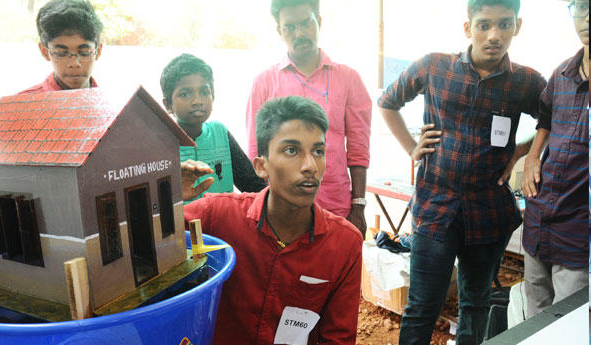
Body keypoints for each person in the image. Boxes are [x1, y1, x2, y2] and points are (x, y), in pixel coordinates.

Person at [377, 0, 547, 343]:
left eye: (504, 24)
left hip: (488, 212)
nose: (494, 35)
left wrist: (521, 154)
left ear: (518, 26)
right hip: (435, 207)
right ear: (468, 28)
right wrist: (411, 146)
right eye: (484, 25)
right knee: (422, 306)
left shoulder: (526, 82)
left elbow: (551, 117)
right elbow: (388, 102)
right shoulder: (434, 67)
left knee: (475, 303)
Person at [182, 96, 363, 345]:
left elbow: (338, 338)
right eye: (292, 150)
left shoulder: (344, 244)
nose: (310, 165)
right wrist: (168, 197)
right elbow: (145, 249)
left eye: (318, 151)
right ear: (260, 167)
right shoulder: (216, 216)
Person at [245, 0, 372, 236]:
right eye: (290, 27)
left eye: (306, 23)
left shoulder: (348, 78)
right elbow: (256, 150)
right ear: (279, 31)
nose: (299, 33)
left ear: (319, 22)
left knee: (332, 271)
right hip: (281, 212)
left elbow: (358, 147)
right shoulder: (264, 82)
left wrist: (358, 206)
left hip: (336, 204)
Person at [521, 0, 589, 318]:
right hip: (539, 215)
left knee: (569, 323)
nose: (588, 16)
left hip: (579, 230)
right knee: (534, 312)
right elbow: (545, 117)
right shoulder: (561, 74)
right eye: (583, 6)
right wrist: (532, 158)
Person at [160, 53, 267, 203]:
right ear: (167, 104)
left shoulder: (220, 133)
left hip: (221, 224)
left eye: (204, 92)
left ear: (213, 97)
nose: (197, 101)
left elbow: (253, 185)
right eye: (185, 94)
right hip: (182, 226)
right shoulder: (159, 146)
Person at [19, 0, 103, 94]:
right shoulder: (21, 104)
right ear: (44, 51)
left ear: (98, 50)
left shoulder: (114, 104)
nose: (74, 63)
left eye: (84, 52)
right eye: (61, 53)